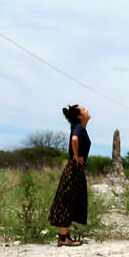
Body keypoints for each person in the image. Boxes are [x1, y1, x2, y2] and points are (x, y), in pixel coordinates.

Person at [48, 104, 92, 246]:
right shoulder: (78, 127)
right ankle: (63, 237)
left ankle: (65, 236)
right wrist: (76, 155)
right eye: (84, 109)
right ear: (80, 116)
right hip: (74, 168)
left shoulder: (80, 128)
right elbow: (74, 139)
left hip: (76, 169)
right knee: (69, 199)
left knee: (72, 200)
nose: (87, 110)